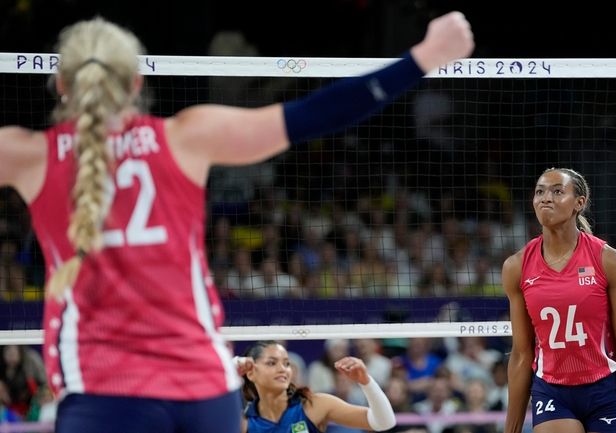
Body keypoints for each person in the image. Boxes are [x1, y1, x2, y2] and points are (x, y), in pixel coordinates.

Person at [0, 12, 473, 433]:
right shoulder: (187, 137)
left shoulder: (29, 156)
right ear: (137, 85)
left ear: (60, 84)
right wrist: (426, 56)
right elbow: (316, 113)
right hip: (203, 395)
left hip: (103, 393)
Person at [502, 168, 616, 433]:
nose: (546, 198)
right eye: (540, 191)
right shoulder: (517, 267)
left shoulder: (609, 260)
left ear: (579, 202)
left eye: (558, 191)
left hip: (604, 388)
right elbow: (522, 353)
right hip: (551, 390)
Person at [240, 340, 396, 433]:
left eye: (286, 363)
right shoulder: (243, 422)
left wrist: (366, 381)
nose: (283, 369)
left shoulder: (315, 405)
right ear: (251, 373)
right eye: (272, 363)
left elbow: (384, 422)